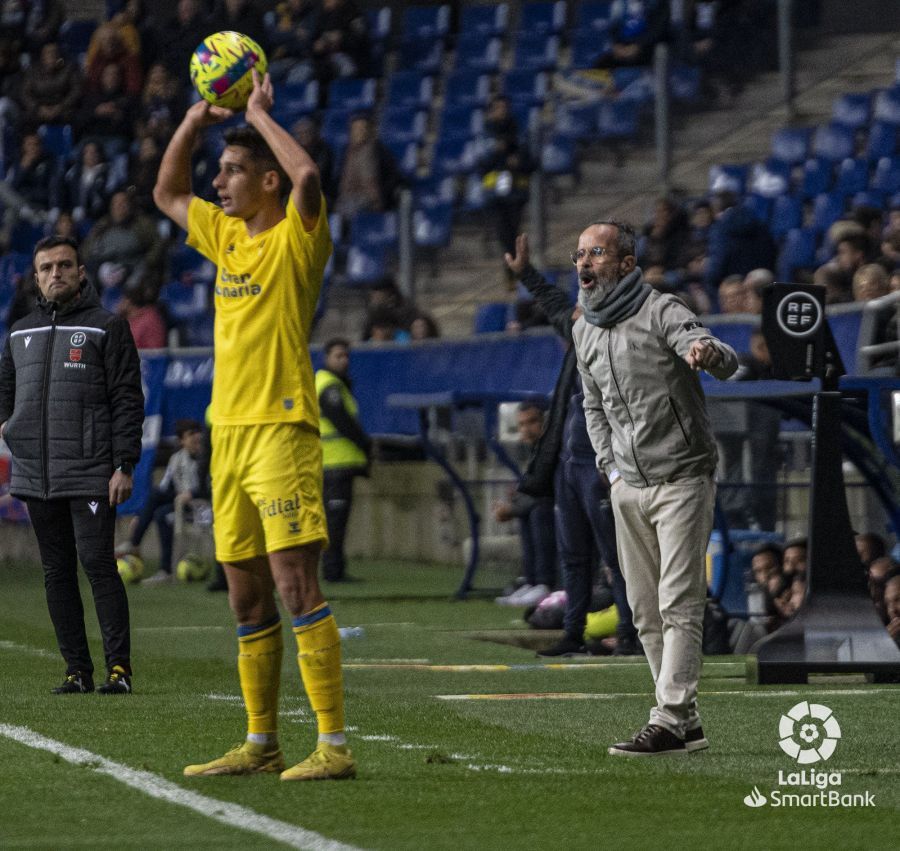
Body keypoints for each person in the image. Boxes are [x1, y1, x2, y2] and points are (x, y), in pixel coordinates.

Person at [153, 70, 354, 781]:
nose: (219, 183)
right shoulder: (226, 237)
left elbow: (306, 173)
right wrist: (194, 121)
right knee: (243, 593)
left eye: (233, 172)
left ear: (265, 182)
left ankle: (332, 743)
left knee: (295, 582)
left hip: (280, 430)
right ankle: (261, 740)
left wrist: (259, 114)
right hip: (227, 433)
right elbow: (167, 193)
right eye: (221, 170)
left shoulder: (297, 238)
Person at [571, 219, 738, 756]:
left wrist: (709, 355)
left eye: (595, 253)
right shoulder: (583, 329)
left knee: (678, 601)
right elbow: (592, 405)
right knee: (643, 610)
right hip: (628, 485)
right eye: (579, 255)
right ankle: (685, 725)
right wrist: (610, 468)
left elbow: (720, 355)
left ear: (624, 263)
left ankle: (667, 716)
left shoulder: (661, 309)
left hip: (683, 476)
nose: (583, 263)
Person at [0, 235, 144, 695]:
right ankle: (76, 671)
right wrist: (7, 425)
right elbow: (5, 389)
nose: (55, 274)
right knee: (56, 572)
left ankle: (118, 670)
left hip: (90, 472)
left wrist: (124, 463)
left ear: (81, 272)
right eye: (46, 268)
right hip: (36, 474)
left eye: (64, 265)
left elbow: (126, 399)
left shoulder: (107, 326)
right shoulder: (19, 332)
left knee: (98, 565)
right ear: (36, 278)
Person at [504, 234, 637, 657]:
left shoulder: (628, 331)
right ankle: (573, 632)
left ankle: (632, 635)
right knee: (574, 556)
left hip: (600, 463)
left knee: (615, 557)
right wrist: (525, 272)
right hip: (568, 463)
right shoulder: (581, 327)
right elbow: (554, 305)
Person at [118, 418, 206, 584]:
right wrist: (142, 514)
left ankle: (134, 543)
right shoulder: (177, 459)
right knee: (159, 507)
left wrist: (193, 494)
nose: (196, 437)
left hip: (202, 507)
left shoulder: (207, 457)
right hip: (181, 504)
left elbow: (213, 486)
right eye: (191, 434)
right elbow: (165, 487)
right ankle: (164, 570)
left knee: (160, 506)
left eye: (197, 433)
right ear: (181, 441)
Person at [316, 338, 372, 582]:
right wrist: (365, 443)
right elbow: (343, 422)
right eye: (338, 355)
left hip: (337, 462)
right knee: (335, 521)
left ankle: (334, 568)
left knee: (336, 520)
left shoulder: (335, 384)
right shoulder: (329, 386)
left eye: (346, 356)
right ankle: (333, 570)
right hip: (334, 462)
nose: (344, 360)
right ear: (326, 358)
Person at [493, 402, 557, 607]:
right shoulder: (533, 451)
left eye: (532, 422)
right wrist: (512, 505)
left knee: (538, 510)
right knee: (528, 511)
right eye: (521, 425)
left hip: (562, 508)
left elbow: (544, 490)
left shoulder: (552, 449)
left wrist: (512, 508)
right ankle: (532, 582)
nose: (526, 429)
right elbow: (531, 488)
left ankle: (544, 583)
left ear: (544, 422)